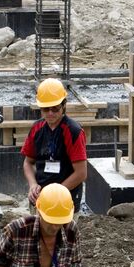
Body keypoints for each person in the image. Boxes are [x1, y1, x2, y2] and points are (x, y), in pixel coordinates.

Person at [21, 78, 87, 214]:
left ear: (63, 105)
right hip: (40, 197)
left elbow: (81, 173)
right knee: (38, 233)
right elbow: (28, 162)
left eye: (55, 108)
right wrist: (33, 184)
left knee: (63, 234)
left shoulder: (73, 131)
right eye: (46, 109)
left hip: (65, 198)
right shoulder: (37, 128)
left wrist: (55, 194)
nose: (50, 113)